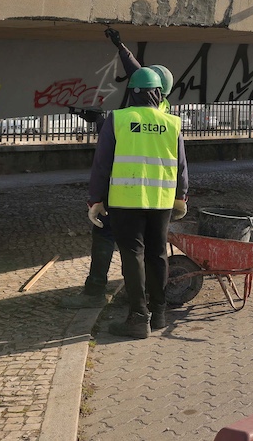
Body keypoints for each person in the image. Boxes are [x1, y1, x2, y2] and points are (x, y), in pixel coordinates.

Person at [60, 29, 176, 309]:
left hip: (126, 192)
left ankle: (99, 292)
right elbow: (138, 74)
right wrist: (121, 47)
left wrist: (102, 123)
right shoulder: (165, 113)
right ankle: (149, 303)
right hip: (156, 197)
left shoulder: (136, 114)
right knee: (149, 250)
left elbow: (120, 148)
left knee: (110, 238)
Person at [88, 68, 188, 338]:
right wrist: (181, 196)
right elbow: (180, 166)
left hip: (126, 201)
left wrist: (95, 199)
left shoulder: (117, 119)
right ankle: (158, 314)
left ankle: (137, 317)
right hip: (161, 201)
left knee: (133, 256)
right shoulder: (171, 122)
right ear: (157, 94)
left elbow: (101, 164)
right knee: (158, 255)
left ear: (132, 92)